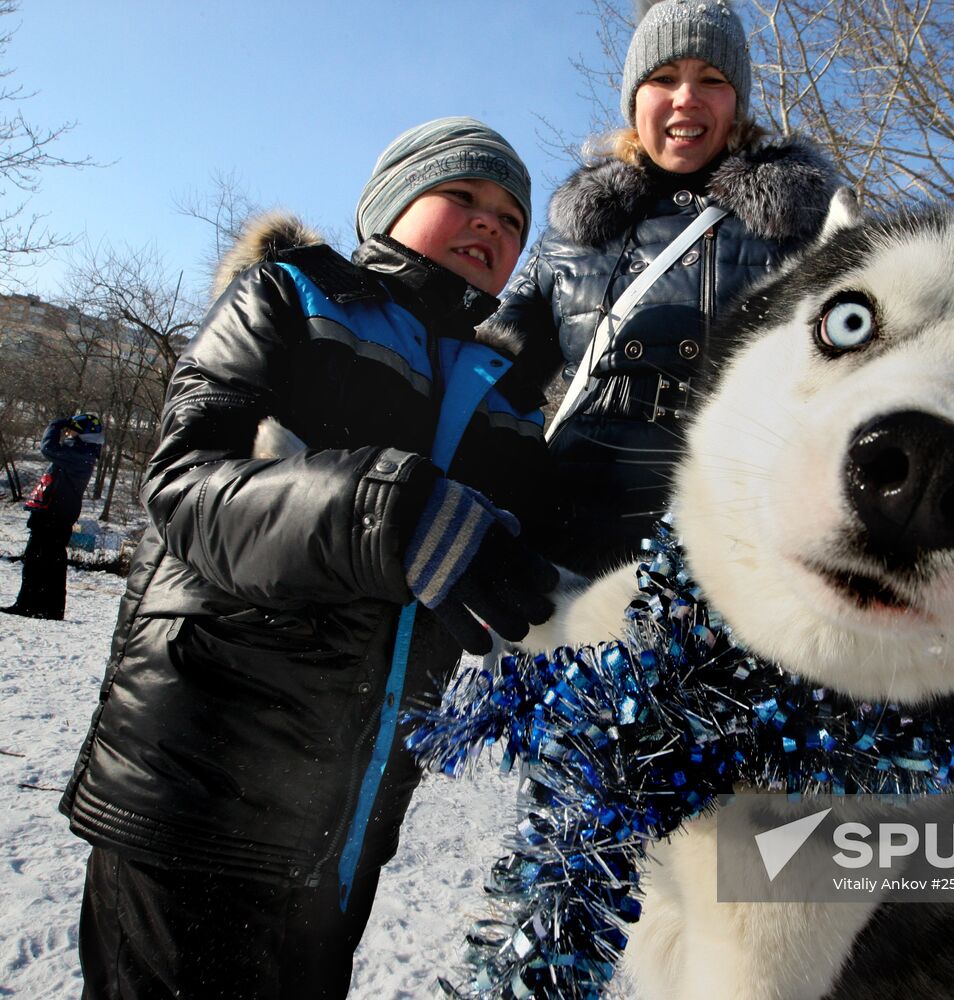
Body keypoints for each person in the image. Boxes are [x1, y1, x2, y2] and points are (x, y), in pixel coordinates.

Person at [60, 117, 562, 1000]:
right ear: (390, 205)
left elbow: (546, 549)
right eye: (463, 197)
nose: (492, 224)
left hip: (350, 817)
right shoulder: (291, 297)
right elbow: (182, 486)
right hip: (195, 787)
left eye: (513, 219)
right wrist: (390, 513)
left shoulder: (505, 394)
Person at [485, 0, 836, 578]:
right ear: (634, 98)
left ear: (737, 101)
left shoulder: (801, 228)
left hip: (732, 534)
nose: (686, 98)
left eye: (712, 80)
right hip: (566, 526)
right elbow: (493, 375)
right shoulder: (573, 236)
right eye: (664, 77)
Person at [3, 412, 104, 621]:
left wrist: (55, 425)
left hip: (55, 514)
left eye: (74, 431)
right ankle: (45, 608)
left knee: (40, 560)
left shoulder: (80, 455)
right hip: (55, 513)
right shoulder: (81, 452)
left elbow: (47, 448)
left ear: (83, 435)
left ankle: (32, 606)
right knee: (48, 561)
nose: (69, 433)